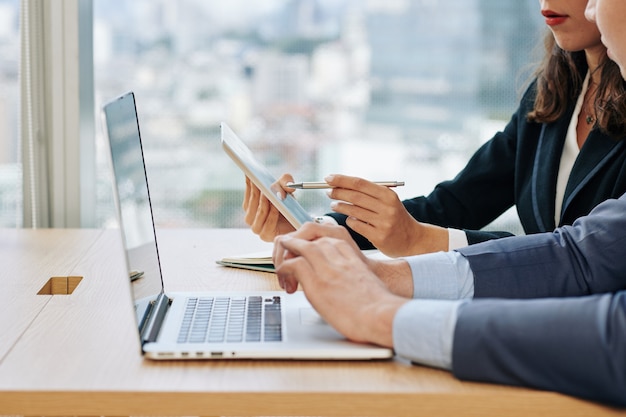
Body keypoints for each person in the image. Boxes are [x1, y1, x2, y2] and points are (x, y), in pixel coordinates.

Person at [268, 0, 626, 404]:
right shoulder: (555, 91)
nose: (549, 3)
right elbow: (464, 203)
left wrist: (389, 295)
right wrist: (324, 230)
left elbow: (579, 266)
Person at [243, 0, 626, 258]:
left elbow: (571, 255)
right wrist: (316, 226)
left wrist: (419, 240)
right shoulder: (552, 94)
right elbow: (454, 205)